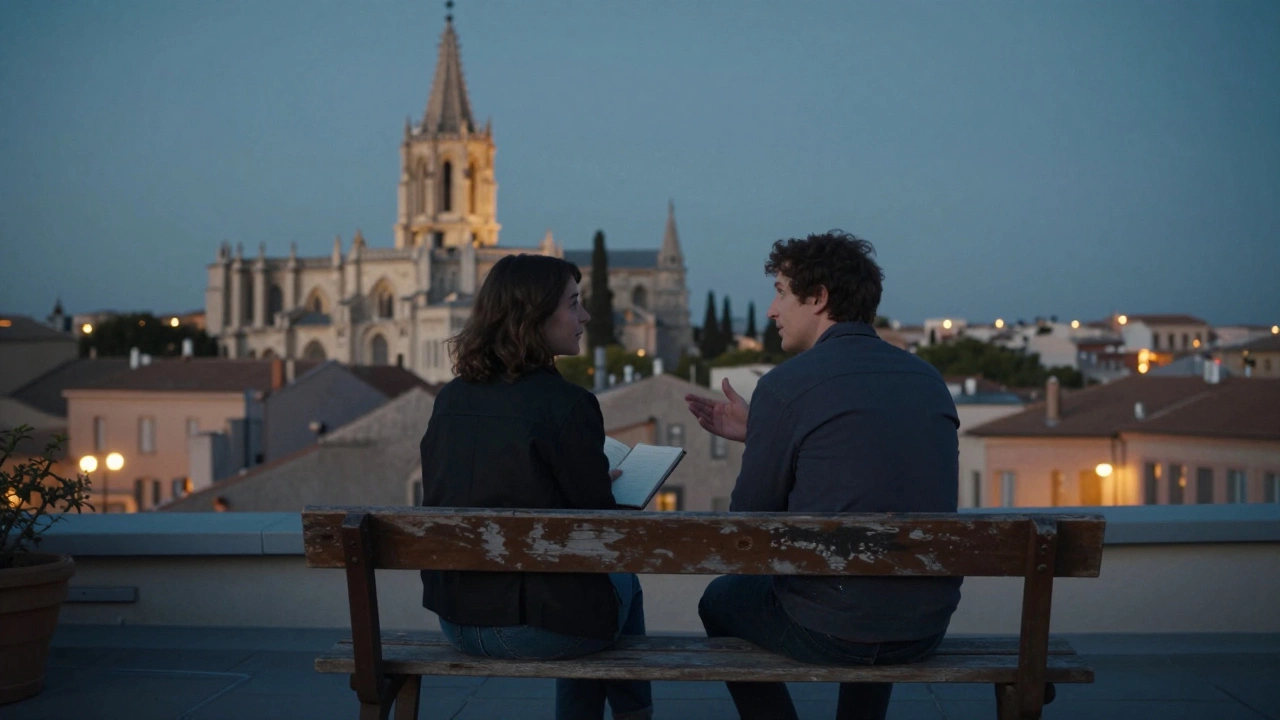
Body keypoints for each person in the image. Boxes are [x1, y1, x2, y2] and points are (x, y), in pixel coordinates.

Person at [685, 230, 961, 720]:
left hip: (831, 629)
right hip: (925, 626)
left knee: (720, 601)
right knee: (868, 593)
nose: (772, 310)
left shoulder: (786, 385)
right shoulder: (929, 380)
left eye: (781, 292)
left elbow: (749, 525)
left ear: (819, 298)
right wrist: (765, 433)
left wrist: (770, 432)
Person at [419, 253, 652, 720]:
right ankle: (635, 715)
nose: (585, 316)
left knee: (583, 597)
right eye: (574, 303)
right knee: (620, 584)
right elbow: (603, 535)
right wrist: (596, 485)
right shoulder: (568, 405)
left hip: (456, 622)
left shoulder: (449, 400)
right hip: (531, 628)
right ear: (534, 315)